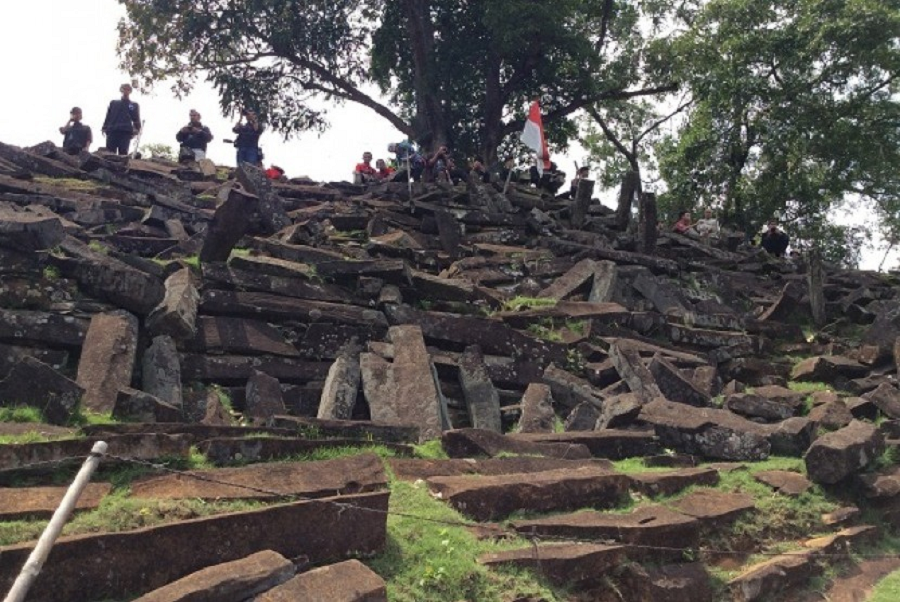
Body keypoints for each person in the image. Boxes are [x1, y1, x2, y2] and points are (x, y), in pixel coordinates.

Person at [101, 83, 141, 155]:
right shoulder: (113, 103)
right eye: (124, 89)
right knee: (110, 153)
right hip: (112, 130)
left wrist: (137, 130)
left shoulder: (133, 105)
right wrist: (104, 127)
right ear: (121, 90)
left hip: (125, 132)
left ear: (130, 91)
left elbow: (136, 118)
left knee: (123, 153)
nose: (126, 91)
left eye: (128, 89)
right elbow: (108, 116)